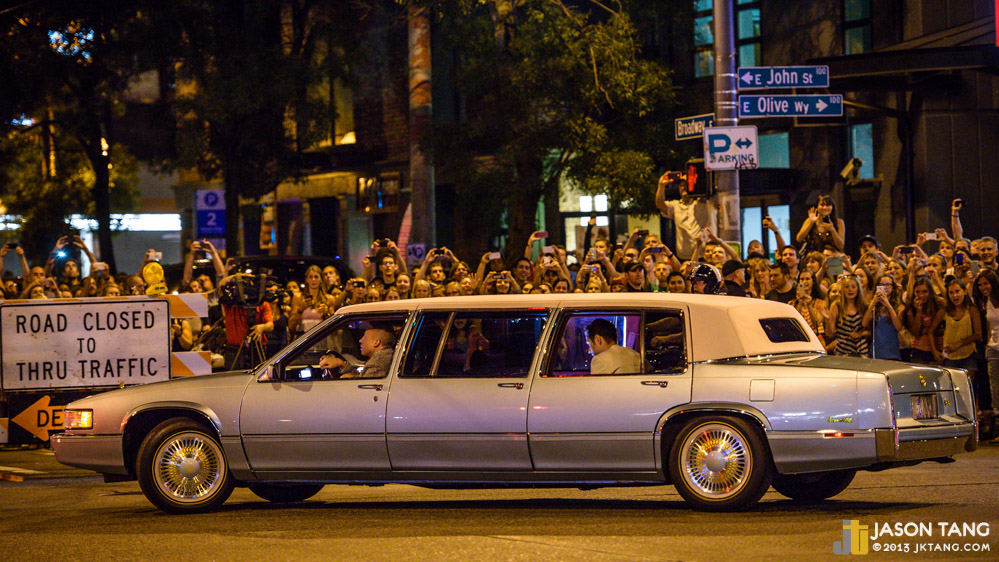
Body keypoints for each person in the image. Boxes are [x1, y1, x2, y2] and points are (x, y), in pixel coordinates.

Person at [655, 171, 717, 260]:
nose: (683, 188)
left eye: (687, 185)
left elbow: (714, 190)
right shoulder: (676, 205)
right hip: (684, 257)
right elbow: (660, 204)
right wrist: (661, 185)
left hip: (705, 255)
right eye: (681, 185)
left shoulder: (705, 202)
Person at [972, 269, 999, 439]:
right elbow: (990, 325)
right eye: (980, 284)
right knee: (995, 389)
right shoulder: (986, 301)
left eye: (986, 283)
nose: (983, 287)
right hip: (993, 348)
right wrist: (989, 342)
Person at [326, 326, 396, 379]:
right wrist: (342, 364)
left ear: (376, 342)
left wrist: (348, 379)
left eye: (365, 337)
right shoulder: (384, 356)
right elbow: (363, 376)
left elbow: (363, 387)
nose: (360, 340)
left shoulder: (378, 362)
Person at [863, 274, 904, 360]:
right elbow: (864, 323)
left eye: (887, 285)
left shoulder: (899, 307)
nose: (885, 287)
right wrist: (873, 303)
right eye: (881, 285)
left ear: (893, 288)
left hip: (892, 353)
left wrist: (888, 305)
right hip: (876, 353)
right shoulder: (874, 306)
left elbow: (898, 327)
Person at [827, 275, 869, 357]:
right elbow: (830, 333)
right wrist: (827, 319)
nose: (850, 290)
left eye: (853, 287)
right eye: (847, 287)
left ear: (858, 288)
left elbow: (870, 331)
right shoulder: (837, 306)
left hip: (861, 351)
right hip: (843, 351)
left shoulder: (863, 306)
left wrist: (860, 334)